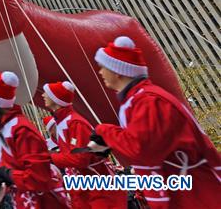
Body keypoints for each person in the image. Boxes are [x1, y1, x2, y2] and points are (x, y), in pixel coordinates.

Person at [90, 36, 221, 208]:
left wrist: (104, 132)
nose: (100, 72)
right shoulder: (139, 100)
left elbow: (141, 148)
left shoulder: (148, 100)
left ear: (118, 71)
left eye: (103, 67)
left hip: (197, 195)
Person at [0, 71, 68, 209]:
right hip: (23, 200)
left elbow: (38, 177)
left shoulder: (21, 129)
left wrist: (7, 174)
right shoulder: (6, 128)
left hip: (40, 202)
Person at [41, 80, 125, 209]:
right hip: (83, 188)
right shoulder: (63, 122)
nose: (43, 95)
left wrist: (50, 157)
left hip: (98, 187)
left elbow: (80, 158)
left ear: (56, 99)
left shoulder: (75, 123)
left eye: (46, 93)